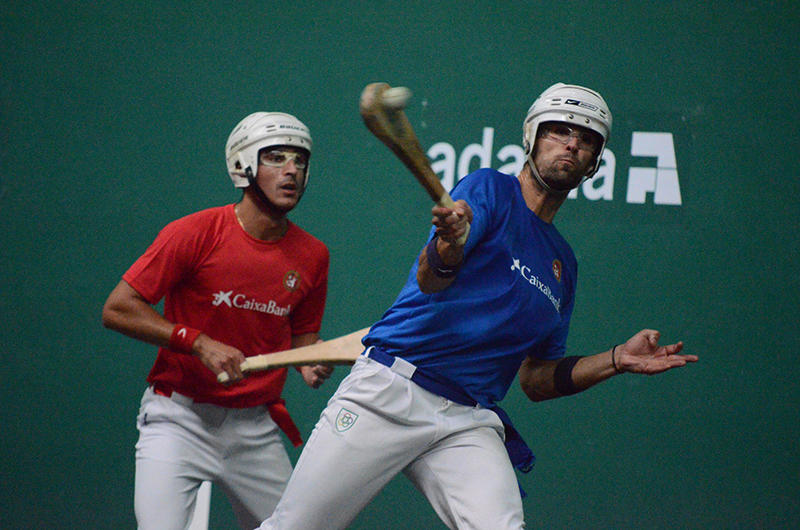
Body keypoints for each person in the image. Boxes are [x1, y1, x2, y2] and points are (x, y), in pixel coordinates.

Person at [257, 84, 699, 530]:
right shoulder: (489, 189)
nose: (571, 143)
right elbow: (430, 279)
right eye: (559, 130)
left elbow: (536, 380)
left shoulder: (563, 263)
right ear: (531, 136)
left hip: (466, 421)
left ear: (594, 163)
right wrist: (450, 245)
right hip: (390, 391)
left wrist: (616, 360)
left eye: (586, 139)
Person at [102, 112, 334, 530]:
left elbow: (303, 339)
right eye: (276, 158)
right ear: (243, 165)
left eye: (300, 161)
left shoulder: (313, 255)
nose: (292, 171)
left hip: (254, 429)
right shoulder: (194, 232)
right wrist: (198, 342)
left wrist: (308, 362)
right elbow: (118, 308)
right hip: (178, 420)